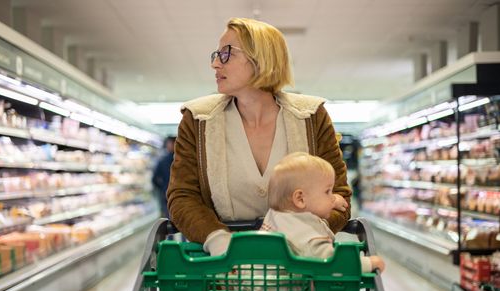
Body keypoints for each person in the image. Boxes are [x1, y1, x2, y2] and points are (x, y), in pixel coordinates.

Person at [167, 17, 351, 255]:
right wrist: (217, 240)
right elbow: (183, 195)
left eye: (226, 54)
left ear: (261, 59)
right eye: (216, 54)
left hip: (304, 267)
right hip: (225, 271)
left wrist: (305, 237)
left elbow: (338, 194)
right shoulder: (199, 120)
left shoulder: (311, 117)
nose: (215, 64)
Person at [260, 152, 385, 273]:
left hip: (256, 289)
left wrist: (332, 202)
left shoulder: (276, 216)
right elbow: (332, 264)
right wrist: (368, 263)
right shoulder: (307, 235)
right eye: (327, 191)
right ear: (300, 198)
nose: (333, 197)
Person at [152, 136, 176, 217]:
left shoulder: (163, 161)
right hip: (180, 194)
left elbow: (154, 179)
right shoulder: (184, 159)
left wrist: (163, 188)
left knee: (170, 218)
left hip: (167, 195)